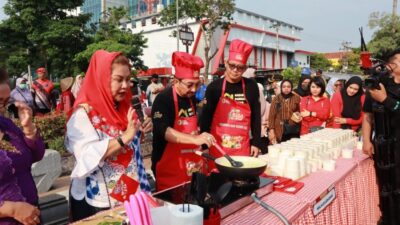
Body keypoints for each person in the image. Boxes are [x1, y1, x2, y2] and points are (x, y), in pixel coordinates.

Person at [65, 50, 152, 221]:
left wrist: (140, 131)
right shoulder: (83, 114)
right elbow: (86, 156)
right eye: (119, 80)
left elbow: (130, 147)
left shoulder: (124, 107)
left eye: (128, 80)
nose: (126, 86)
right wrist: (124, 137)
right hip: (97, 200)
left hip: (127, 191)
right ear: (102, 79)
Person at [151, 52, 215, 191]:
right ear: (175, 81)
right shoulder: (164, 99)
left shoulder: (190, 98)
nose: (193, 89)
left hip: (193, 167)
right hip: (171, 171)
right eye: (189, 84)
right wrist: (194, 139)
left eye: (197, 84)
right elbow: (163, 131)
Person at [201, 39, 262, 170]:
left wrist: (256, 143)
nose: (235, 70)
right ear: (226, 63)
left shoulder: (251, 86)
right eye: (232, 66)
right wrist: (204, 146)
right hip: (217, 148)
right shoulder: (214, 87)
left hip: (242, 148)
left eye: (240, 68)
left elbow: (256, 117)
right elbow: (205, 118)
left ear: (245, 68)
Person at [0, 68, 45, 225]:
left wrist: (29, 128)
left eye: (6, 101)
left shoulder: (6, 125)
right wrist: (11, 209)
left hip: (32, 216)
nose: (3, 108)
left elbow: (36, 155)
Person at [362, 50, 400, 225]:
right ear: (392, 65)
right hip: (384, 146)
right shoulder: (377, 85)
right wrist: (367, 140)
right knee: (385, 186)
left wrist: (386, 100)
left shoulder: (382, 93)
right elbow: (368, 116)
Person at [268, 79, 301, 143]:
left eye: (288, 87)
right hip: (279, 129)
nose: (286, 88)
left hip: (292, 128)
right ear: (281, 88)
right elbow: (271, 116)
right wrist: (272, 131)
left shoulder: (296, 98)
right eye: (284, 87)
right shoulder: (276, 99)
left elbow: (299, 111)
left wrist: (298, 114)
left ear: (291, 88)